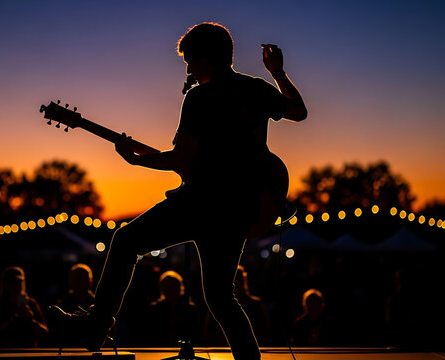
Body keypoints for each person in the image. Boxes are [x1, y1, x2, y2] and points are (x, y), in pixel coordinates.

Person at [52, 22, 306, 360]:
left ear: (204, 56)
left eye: (190, 60)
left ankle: (96, 326)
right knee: (219, 297)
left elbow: (181, 159)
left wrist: (136, 161)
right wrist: (278, 73)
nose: (187, 68)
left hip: (201, 204)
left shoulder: (200, 97)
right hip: (238, 211)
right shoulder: (255, 88)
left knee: (126, 240)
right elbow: (299, 112)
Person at [0, 266, 48, 347]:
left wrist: (31, 320)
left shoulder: (31, 303)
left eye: (20, 282)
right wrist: (12, 318)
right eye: (13, 282)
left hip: (28, 353)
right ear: (5, 284)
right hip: (2, 352)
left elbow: (45, 333)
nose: (18, 286)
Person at [144, 270, 201, 346]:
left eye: (173, 286)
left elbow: (196, 334)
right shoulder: (154, 309)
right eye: (167, 286)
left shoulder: (190, 309)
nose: (171, 289)